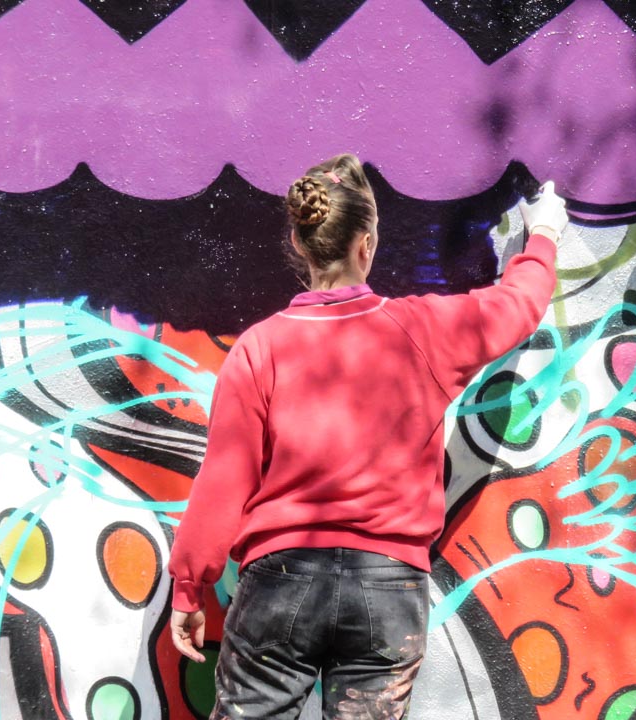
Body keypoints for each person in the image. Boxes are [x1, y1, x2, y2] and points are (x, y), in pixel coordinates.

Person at [166, 153, 568, 719]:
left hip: (280, 579)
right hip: (389, 589)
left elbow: (222, 484)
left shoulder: (259, 348)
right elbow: (517, 305)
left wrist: (189, 587)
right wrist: (544, 234)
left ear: (300, 244)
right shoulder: (422, 330)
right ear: (367, 244)